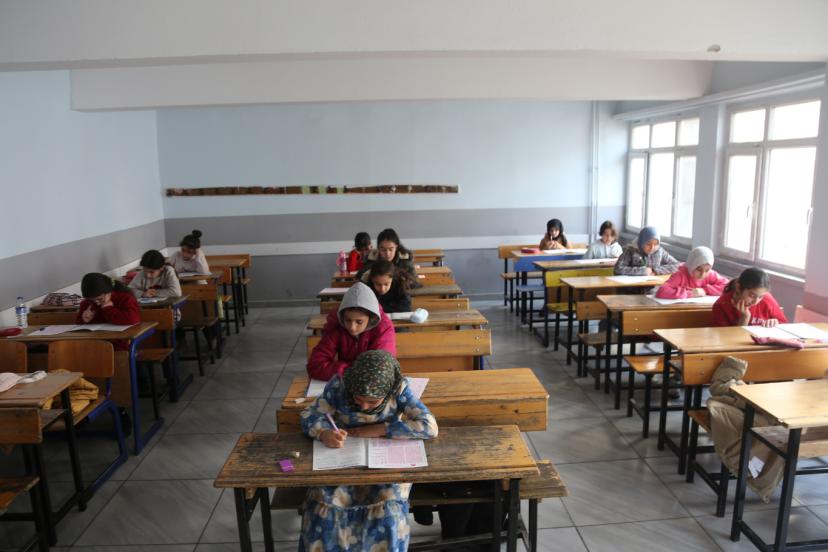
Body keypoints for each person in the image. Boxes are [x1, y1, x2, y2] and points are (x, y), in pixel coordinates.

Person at [299, 350, 438, 552]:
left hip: (385, 464)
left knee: (388, 510)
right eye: (358, 398)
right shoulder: (340, 386)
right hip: (343, 460)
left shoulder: (398, 389)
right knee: (325, 505)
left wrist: (382, 429)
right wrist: (323, 433)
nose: (364, 406)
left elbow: (429, 426)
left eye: (372, 401)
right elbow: (309, 414)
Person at [307, 282, 396, 381]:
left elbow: (382, 369)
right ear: (342, 317)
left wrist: (343, 371)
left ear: (371, 318)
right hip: (347, 381)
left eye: (359, 322)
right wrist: (351, 371)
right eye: (348, 320)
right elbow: (315, 365)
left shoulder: (383, 328)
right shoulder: (337, 325)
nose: (352, 327)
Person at [76, 273, 141, 350]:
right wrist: (84, 319)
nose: (97, 303)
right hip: (94, 342)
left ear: (109, 292)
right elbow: (78, 326)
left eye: (100, 299)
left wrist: (109, 309)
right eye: (92, 300)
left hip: (119, 343)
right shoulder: (87, 303)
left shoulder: (125, 298)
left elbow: (132, 319)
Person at [711, 267, 787, 327]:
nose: (756, 301)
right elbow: (725, 338)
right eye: (752, 295)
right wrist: (745, 317)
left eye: (760, 297)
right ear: (738, 287)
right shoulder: (722, 304)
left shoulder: (767, 299)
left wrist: (775, 323)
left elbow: (784, 325)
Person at [656, 246, 729, 299]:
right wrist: (690, 293)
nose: (702, 274)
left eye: (707, 270)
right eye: (699, 269)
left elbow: (728, 286)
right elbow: (662, 291)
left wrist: (705, 290)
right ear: (692, 265)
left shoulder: (710, 274)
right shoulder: (680, 275)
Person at [614, 226, 679, 275]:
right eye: (648, 244)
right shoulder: (630, 251)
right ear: (642, 242)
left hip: (652, 286)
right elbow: (618, 269)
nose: (652, 247)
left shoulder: (660, 251)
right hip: (632, 287)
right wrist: (642, 271)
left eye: (655, 244)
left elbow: (677, 265)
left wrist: (655, 270)